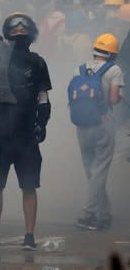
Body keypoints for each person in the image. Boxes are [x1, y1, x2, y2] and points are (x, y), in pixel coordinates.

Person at [0, 13, 52, 251]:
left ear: (31, 33)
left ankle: (29, 236)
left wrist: (43, 121)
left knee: (29, 185)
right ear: (7, 32)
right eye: (15, 27)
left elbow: (43, 95)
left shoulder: (38, 62)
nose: (19, 29)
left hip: (26, 131)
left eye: (24, 27)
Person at [68, 33, 123, 230]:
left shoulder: (79, 68)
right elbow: (115, 99)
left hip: (82, 125)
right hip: (103, 123)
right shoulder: (114, 70)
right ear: (112, 54)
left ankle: (105, 213)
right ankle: (89, 214)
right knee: (99, 171)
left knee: (92, 171)